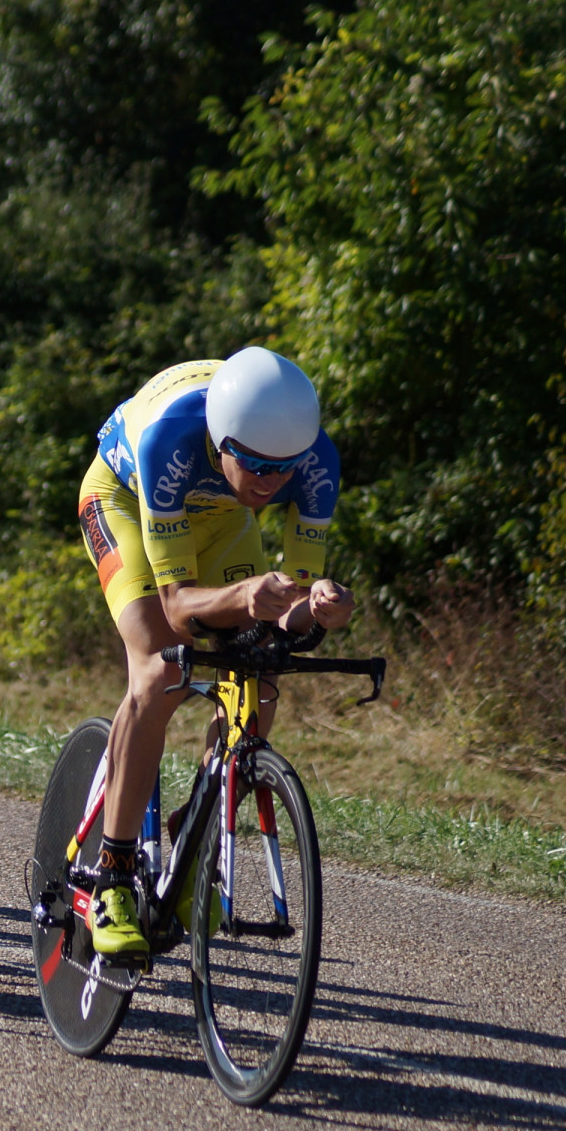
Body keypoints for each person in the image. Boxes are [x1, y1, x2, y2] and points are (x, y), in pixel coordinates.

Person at [75, 347, 356, 956]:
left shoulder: (316, 462)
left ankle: (196, 827)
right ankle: (112, 876)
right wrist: (246, 595)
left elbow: (291, 610)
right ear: (223, 440)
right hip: (125, 501)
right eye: (254, 465)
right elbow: (179, 608)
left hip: (222, 517)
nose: (270, 483)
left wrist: (319, 607)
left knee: (263, 669)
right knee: (160, 669)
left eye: (283, 470)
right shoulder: (172, 439)